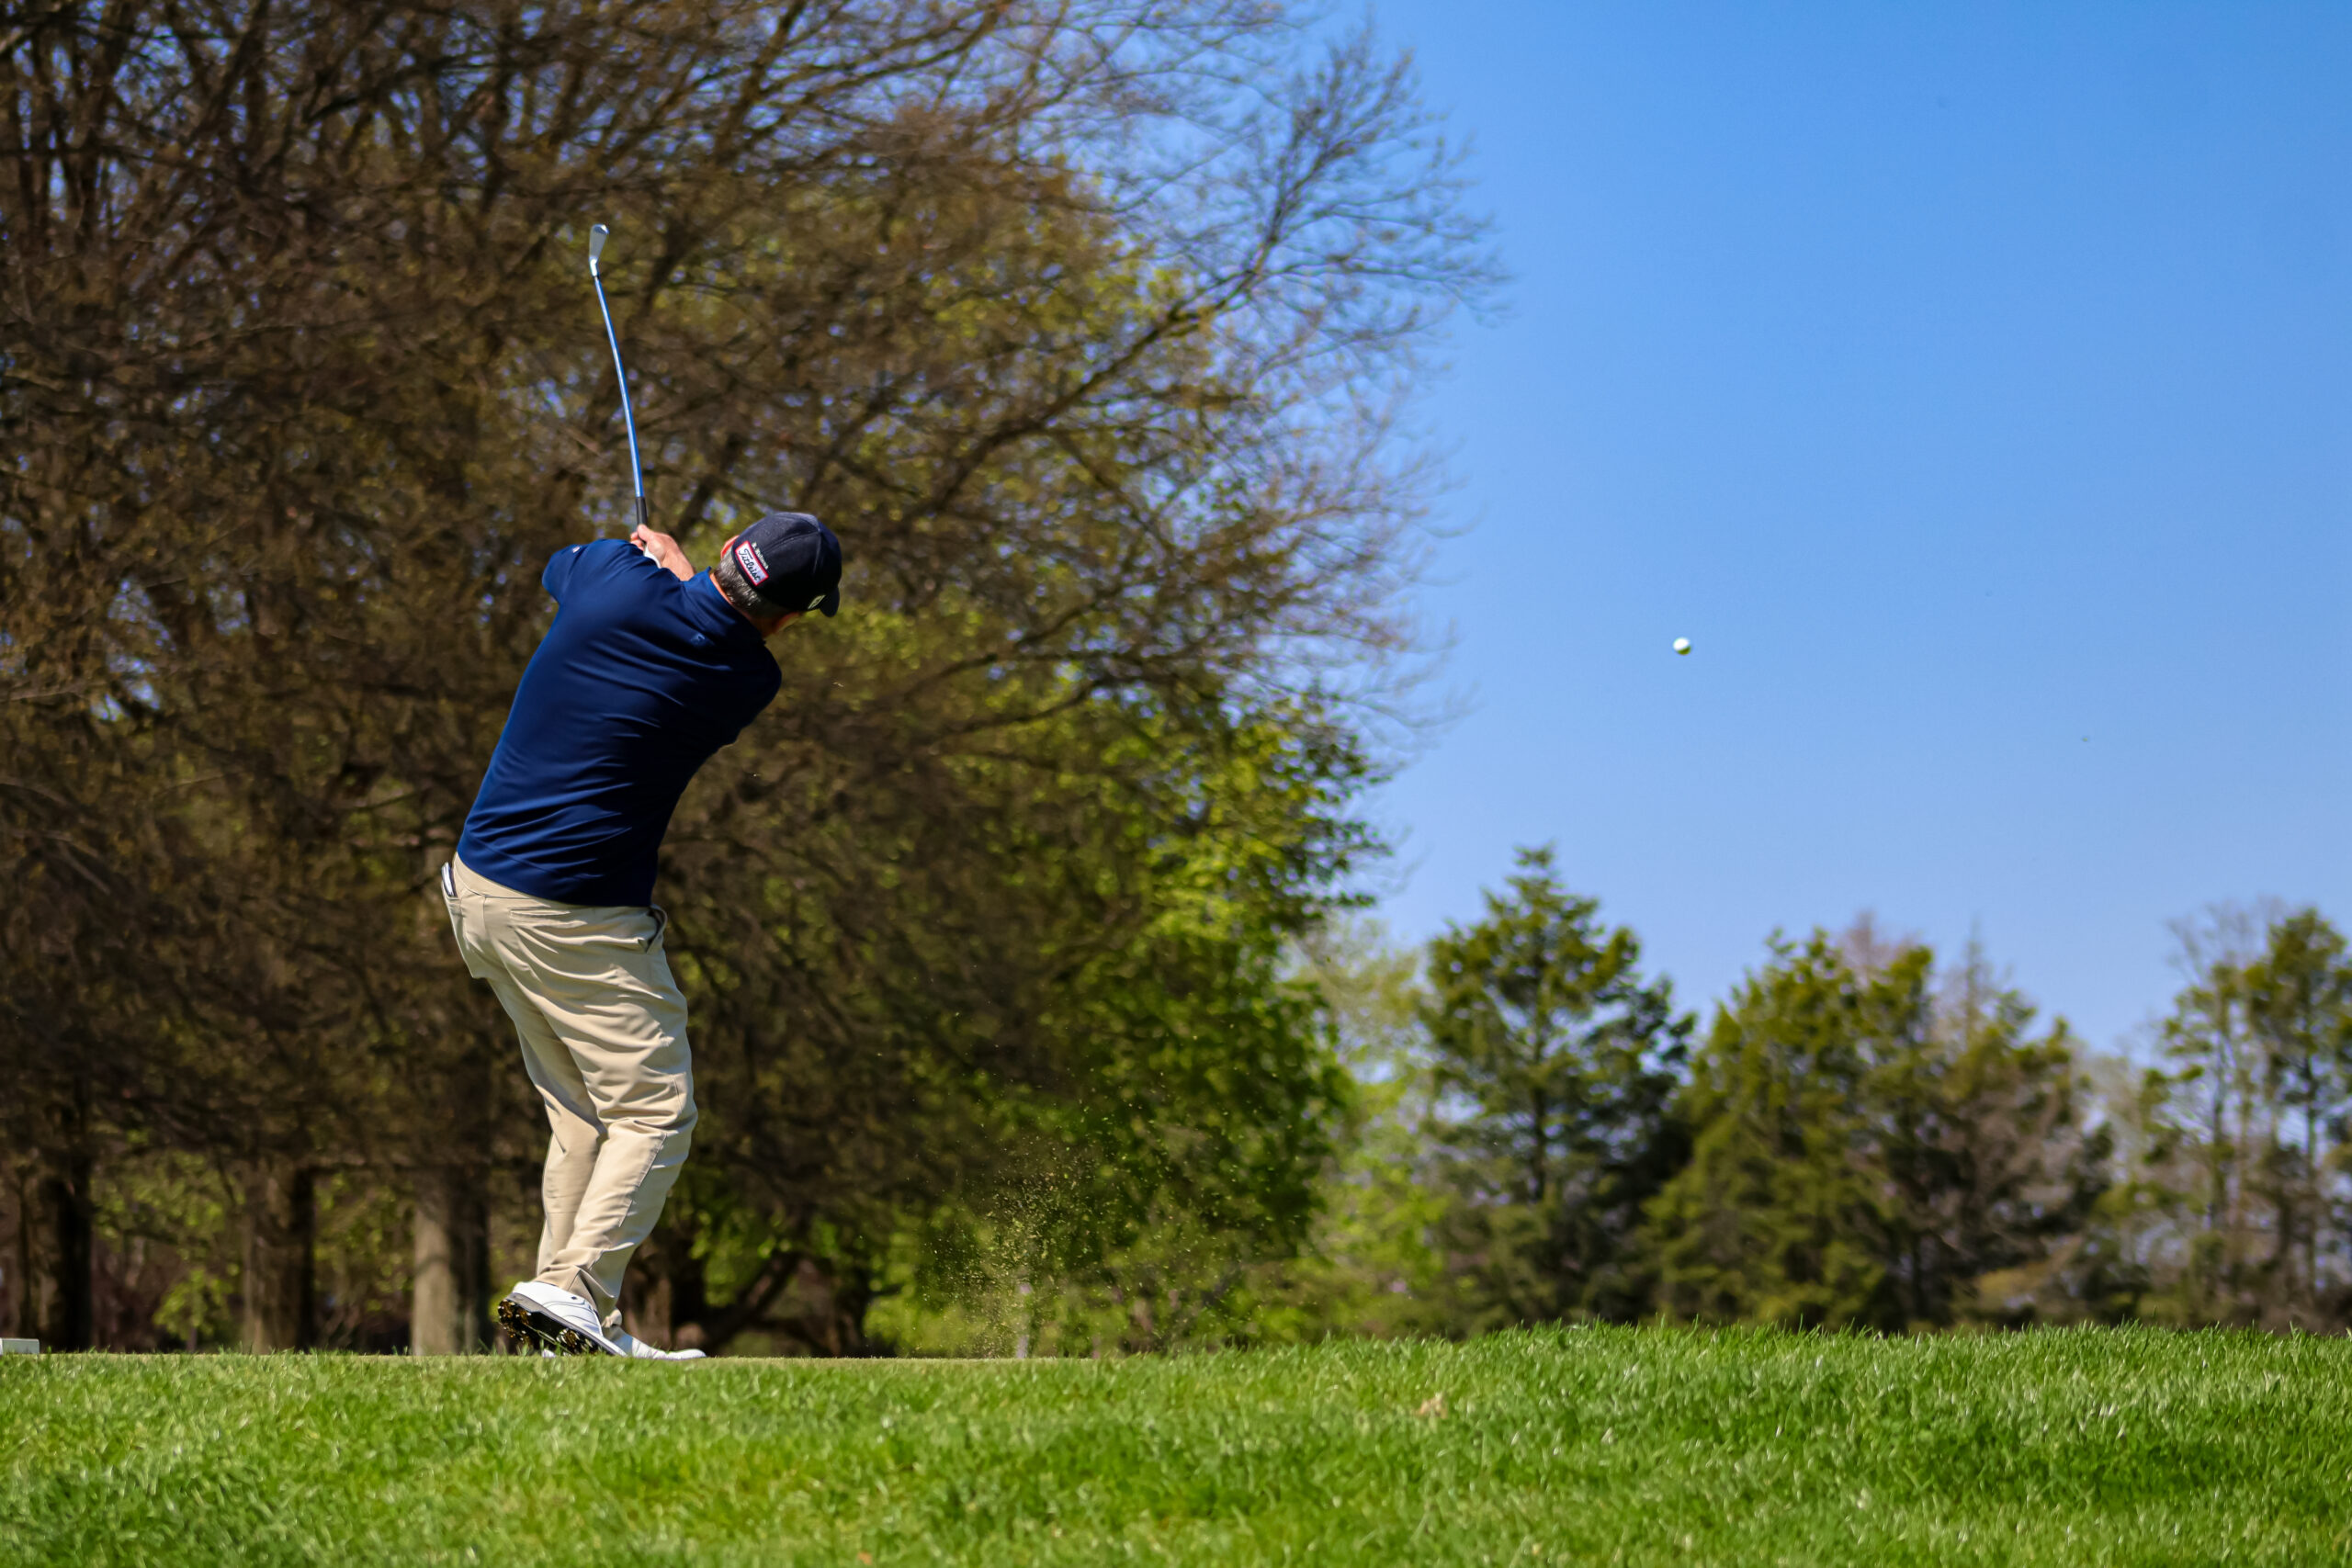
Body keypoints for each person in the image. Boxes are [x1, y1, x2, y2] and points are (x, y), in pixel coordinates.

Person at [440, 512, 842, 1358]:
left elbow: (563, 566)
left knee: (587, 1118)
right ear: (791, 615)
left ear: (735, 550)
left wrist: (657, 567)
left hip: (478, 891)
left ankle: (563, 1328)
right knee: (657, 1111)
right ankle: (568, 1292)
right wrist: (683, 576)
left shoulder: (611, 581)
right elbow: (717, 624)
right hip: (573, 915)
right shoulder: (744, 679)